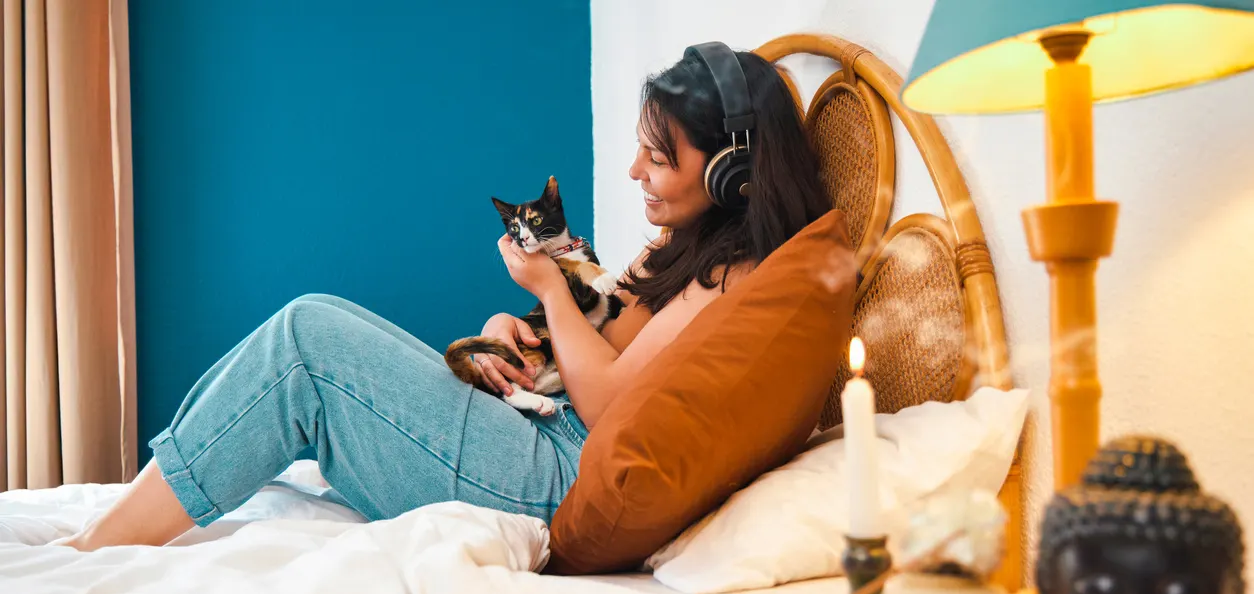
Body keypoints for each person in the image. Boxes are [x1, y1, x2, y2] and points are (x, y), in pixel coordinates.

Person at [64, 43, 843, 552]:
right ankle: (130, 514)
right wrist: (516, 331)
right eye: (638, 150)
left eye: (658, 157)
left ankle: (104, 547)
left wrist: (548, 289)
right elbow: (602, 349)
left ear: (730, 174)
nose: (637, 172)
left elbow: (611, 409)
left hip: (551, 477)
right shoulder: (689, 248)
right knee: (315, 322)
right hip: (542, 430)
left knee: (305, 339)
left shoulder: (742, 281)